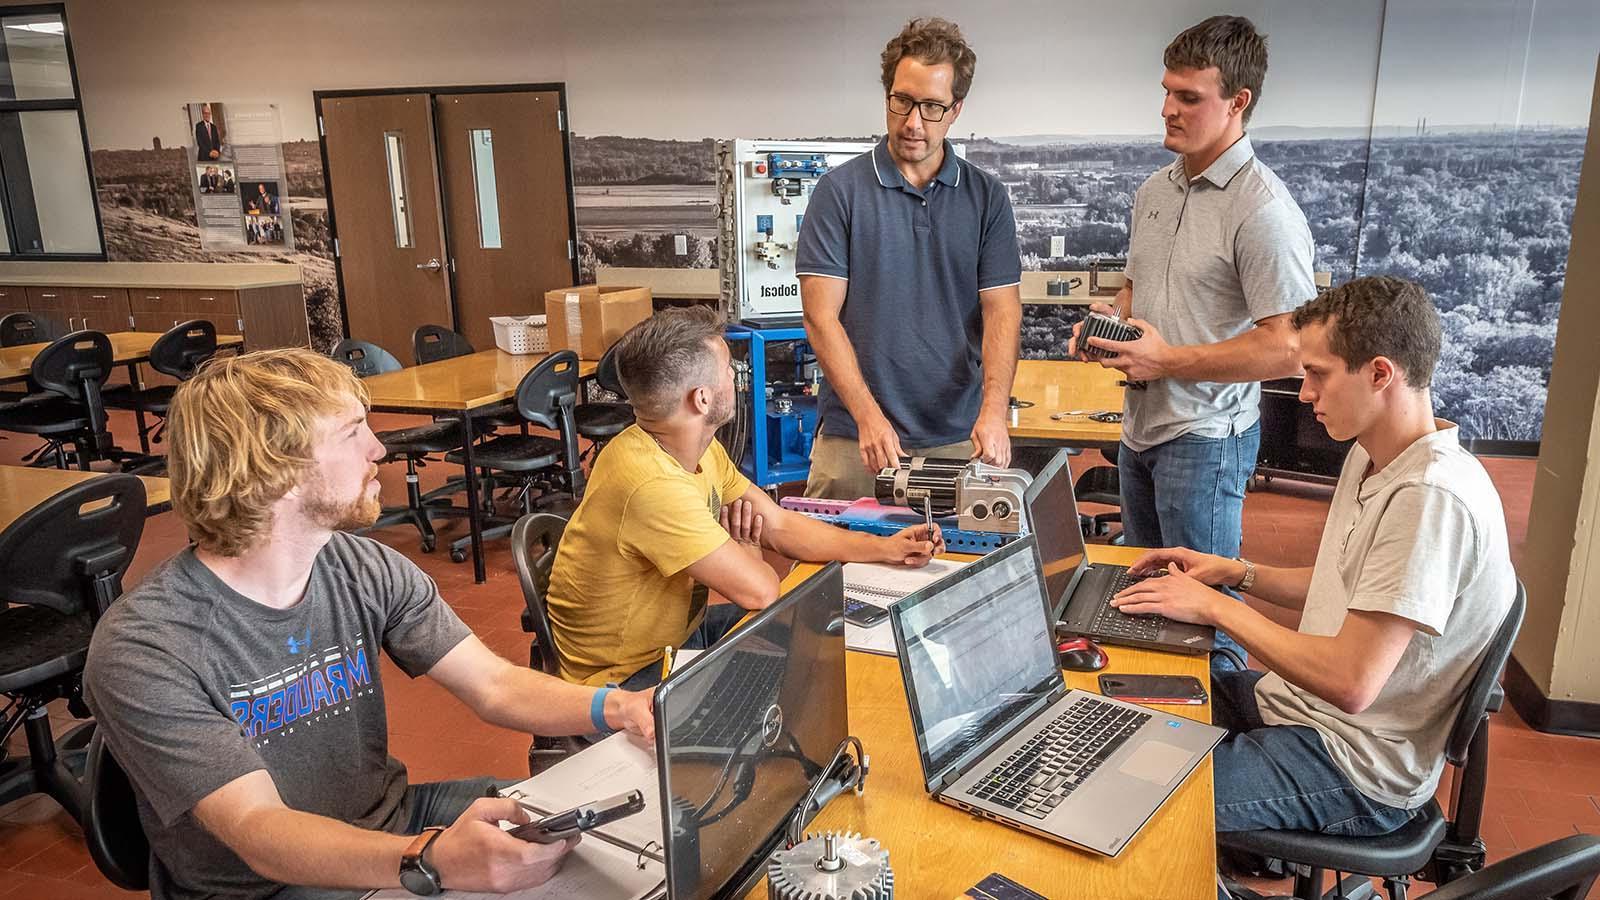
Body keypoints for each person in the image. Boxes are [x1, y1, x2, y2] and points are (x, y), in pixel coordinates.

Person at [83, 349, 657, 900]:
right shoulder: (146, 645)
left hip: (392, 820)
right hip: (269, 884)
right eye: (352, 432)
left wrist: (617, 707)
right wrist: (424, 859)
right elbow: (258, 830)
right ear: (274, 470)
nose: (378, 449)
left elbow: (494, 685)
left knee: (601, 849)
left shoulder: (361, 565)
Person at [1108, 277, 1515, 865]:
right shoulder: (1375, 453)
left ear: (1380, 374)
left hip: (1355, 765)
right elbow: (1341, 587)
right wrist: (1234, 573)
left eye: (1318, 374)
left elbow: (1353, 683)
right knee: (1117, 719)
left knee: (1127, 792)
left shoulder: (1431, 498)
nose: (1303, 393)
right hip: (1299, 712)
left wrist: (1216, 609)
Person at [1069, 15, 1315, 669]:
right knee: (1144, 609)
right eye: (1167, 91)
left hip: (1205, 443)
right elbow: (1137, 293)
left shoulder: (1264, 212)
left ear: (1239, 103)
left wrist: (1168, 359)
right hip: (1140, 432)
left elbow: (1288, 349)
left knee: (1209, 623)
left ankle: (1221, 748)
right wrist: (1110, 324)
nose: (1168, 109)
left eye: (1189, 97)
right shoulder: (1155, 189)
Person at [544, 306, 945, 689]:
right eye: (728, 370)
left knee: (823, 633)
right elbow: (760, 591)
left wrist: (883, 548)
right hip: (627, 677)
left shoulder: (690, 445)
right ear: (702, 399)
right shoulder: (651, 484)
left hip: (679, 634)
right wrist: (748, 546)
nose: (736, 378)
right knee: (808, 677)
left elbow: (780, 523)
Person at [796, 16, 1022, 501]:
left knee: (961, 571)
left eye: (933, 106)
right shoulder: (839, 193)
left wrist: (993, 411)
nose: (913, 122)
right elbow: (820, 317)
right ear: (887, 96)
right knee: (834, 576)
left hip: (958, 436)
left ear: (956, 109)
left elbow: (1002, 310)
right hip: (855, 438)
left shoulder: (987, 197)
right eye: (902, 101)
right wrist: (867, 415)